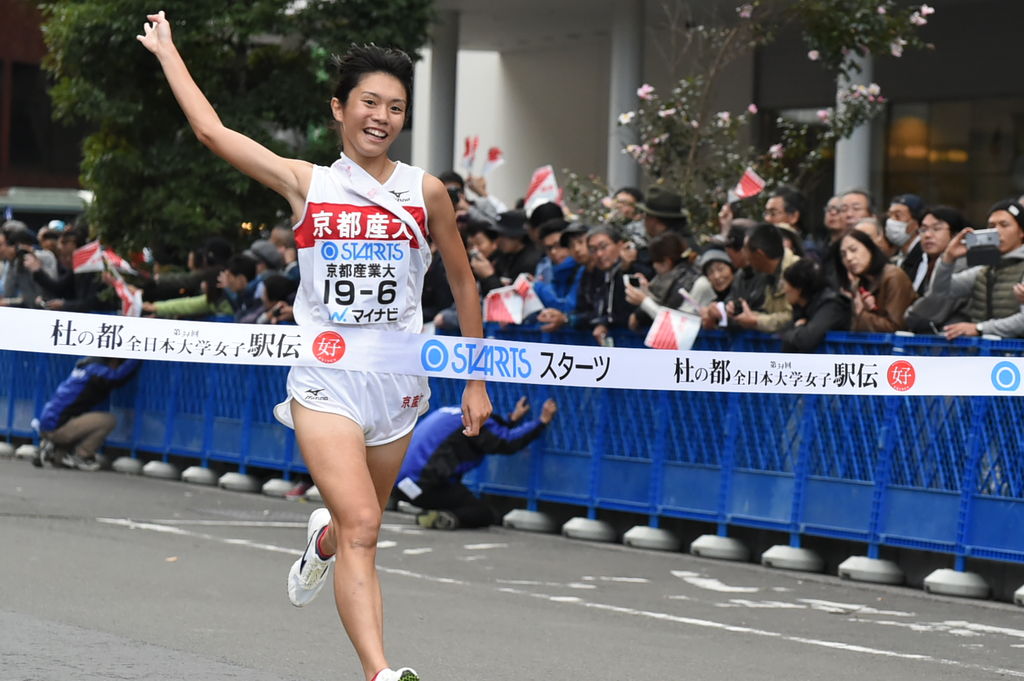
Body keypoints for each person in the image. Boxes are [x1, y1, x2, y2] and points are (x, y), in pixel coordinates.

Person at [139, 13, 491, 681]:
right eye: (369, 102)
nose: (382, 117)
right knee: (363, 523)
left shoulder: (426, 192)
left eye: (395, 107)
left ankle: (319, 540)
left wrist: (475, 378)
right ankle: (381, 672)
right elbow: (213, 133)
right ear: (340, 108)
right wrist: (168, 52)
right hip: (326, 379)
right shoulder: (309, 182)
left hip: (399, 384)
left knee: (357, 528)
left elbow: (466, 283)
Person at [393, 396, 557, 530]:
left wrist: (511, 420)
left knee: (455, 494)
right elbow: (505, 442)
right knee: (483, 513)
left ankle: (436, 510)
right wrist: (541, 422)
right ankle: (446, 517)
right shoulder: (474, 421)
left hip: (399, 485)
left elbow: (489, 434)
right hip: (425, 486)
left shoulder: (451, 412)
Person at [931, 199, 1024, 339]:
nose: (997, 231)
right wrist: (948, 258)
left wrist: (979, 328)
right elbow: (940, 291)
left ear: (1021, 232)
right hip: (985, 355)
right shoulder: (985, 269)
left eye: (1004, 225)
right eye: (992, 225)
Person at [35, 357, 141, 471]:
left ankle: (54, 449)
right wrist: (137, 357)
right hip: (58, 427)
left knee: (60, 460)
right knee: (108, 420)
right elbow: (117, 377)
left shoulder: (84, 368)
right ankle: (81, 456)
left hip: (47, 424)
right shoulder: (97, 370)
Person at [835, 228, 916, 332]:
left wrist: (860, 313)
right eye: (843, 255)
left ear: (869, 248)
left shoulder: (893, 276)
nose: (849, 258)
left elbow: (896, 327)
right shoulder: (859, 284)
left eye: (854, 250)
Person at [778, 259, 851, 352]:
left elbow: (806, 340)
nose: (784, 291)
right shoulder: (802, 307)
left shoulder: (832, 305)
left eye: (785, 285)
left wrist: (798, 328)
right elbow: (784, 332)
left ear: (798, 288)